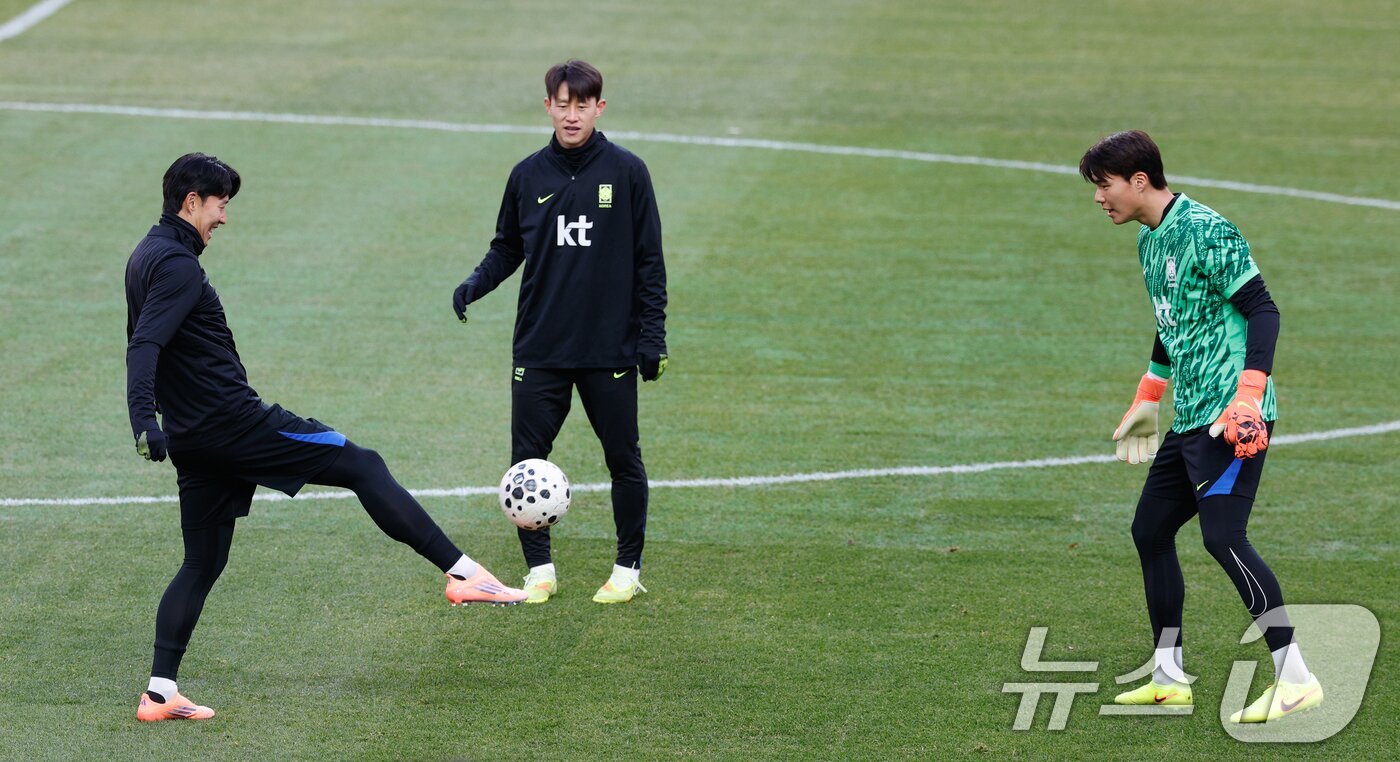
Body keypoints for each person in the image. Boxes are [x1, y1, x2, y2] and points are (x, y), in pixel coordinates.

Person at [126, 153, 525, 723]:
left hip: (193, 437)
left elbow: (145, 340)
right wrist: (143, 418)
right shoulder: (178, 266)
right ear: (192, 202)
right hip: (235, 426)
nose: (224, 218)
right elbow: (144, 344)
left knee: (202, 562)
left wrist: (158, 423)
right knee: (362, 464)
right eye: (220, 206)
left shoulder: (144, 254)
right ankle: (466, 576)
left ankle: (160, 691)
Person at [1080, 131, 1322, 723]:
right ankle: (1168, 678)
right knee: (1150, 531)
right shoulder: (1147, 240)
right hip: (1190, 419)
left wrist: (1248, 396)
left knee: (1223, 538)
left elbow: (1263, 309)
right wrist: (1148, 393)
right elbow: (1172, 320)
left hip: (1230, 422)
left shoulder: (1208, 230)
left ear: (1139, 181)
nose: (1098, 198)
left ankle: (1296, 679)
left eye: (1104, 185)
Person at [452, 59, 668, 605]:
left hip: (608, 347)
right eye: (562, 104)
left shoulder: (628, 172)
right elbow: (508, 246)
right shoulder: (527, 175)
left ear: (600, 106)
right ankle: (539, 571)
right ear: (547, 105)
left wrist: (652, 337)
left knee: (623, 457)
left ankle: (626, 568)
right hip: (541, 346)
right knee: (525, 465)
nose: (572, 115)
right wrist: (477, 283)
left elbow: (649, 261)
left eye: (583, 104)